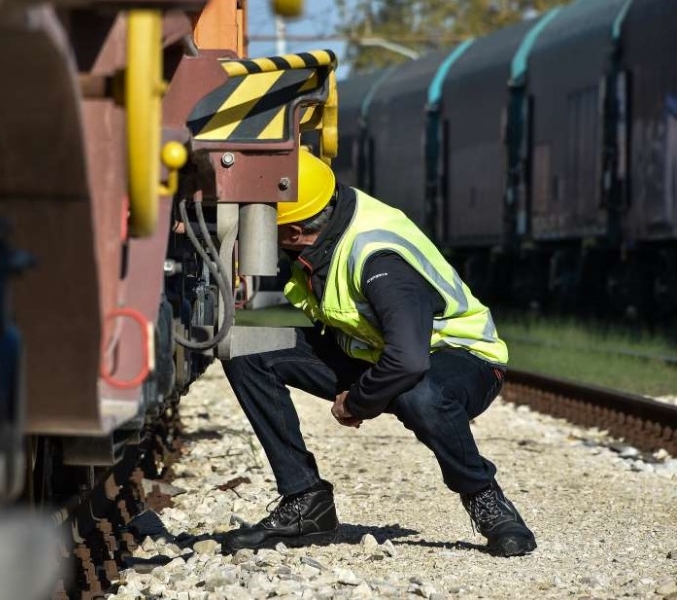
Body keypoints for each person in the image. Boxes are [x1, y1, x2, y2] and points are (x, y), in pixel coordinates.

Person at [220, 150, 536, 557]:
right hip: (378, 354)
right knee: (245, 347)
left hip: (459, 357)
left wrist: (357, 402)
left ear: (294, 231)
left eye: (265, 228)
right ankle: (306, 501)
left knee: (419, 393)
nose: (257, 237)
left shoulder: (376, 258)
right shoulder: (322, 221)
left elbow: (408, 361)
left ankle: (487, 500)